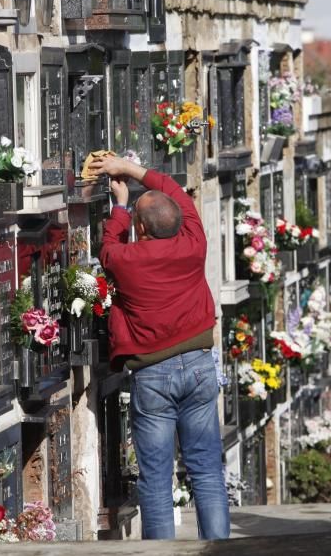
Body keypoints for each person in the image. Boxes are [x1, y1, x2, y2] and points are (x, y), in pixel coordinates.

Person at [87, 154, 230, 541]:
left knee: (156, 479)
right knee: (206, 471)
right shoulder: (194, 243)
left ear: (141, 227)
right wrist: (132, 169)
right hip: (200, 367)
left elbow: (107, 247)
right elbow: (172, 189)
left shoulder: (127, 259)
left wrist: (119, 206)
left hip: (154, 376)